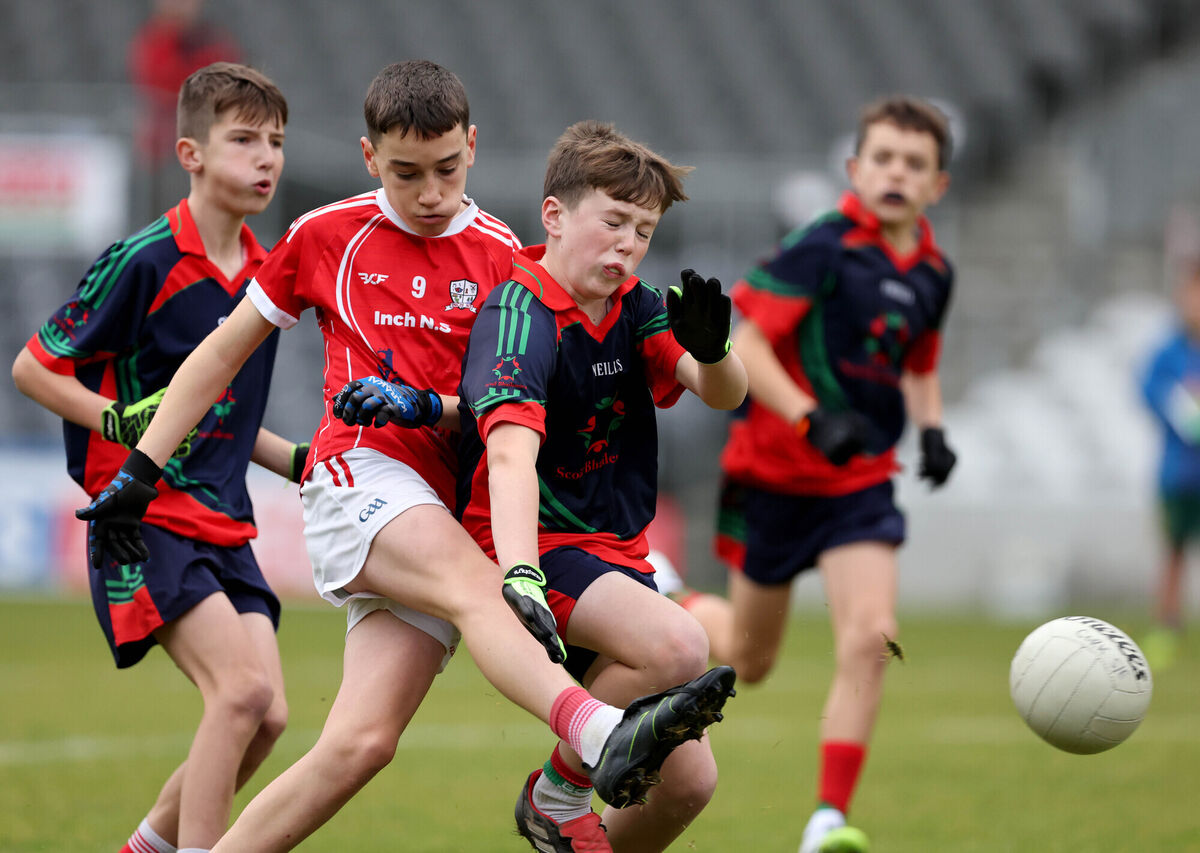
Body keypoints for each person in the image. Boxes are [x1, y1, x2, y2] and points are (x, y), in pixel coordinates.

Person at [74, 61, 736, 853]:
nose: (430, 193)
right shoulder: (325, 233)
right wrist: (138, 471)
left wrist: (432, 406)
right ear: (368, 157)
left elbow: (508, 399)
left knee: (360, 745)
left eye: (448, 169)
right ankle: (586, 752)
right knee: (478, 583)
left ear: (474, 148)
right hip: (362, 475)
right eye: (405, 173)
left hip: (445, 504)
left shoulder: (503, 255)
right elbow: (219, 355)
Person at [11, 63, 299, 853]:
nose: (265, 158)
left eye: (275, 141)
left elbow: (222, 414)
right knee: (238, 695)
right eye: (243, 140)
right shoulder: (143, 258)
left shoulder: (269, 273)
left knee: (267, 715)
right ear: (190, 153)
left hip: (224, 519)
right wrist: (113, 418)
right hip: (143, 514)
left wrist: (299, 460)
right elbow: (34, 367)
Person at [671, 96, 959, 853]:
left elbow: (919, 362)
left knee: (872, 637)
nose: (897, 173)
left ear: (939, 185)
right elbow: (749, 343)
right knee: (750, 660)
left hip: (859, 482)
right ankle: (670, 595)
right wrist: (807, 415)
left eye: (915, 163)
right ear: (854, 169)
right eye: (884, 158)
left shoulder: (933, 270)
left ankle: (827, 818)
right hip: (775, 474)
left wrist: (931, 431)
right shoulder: (821, 246)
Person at [453, 120, 747, 852]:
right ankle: (555, 792)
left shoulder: (636, 305)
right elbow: (510, 457)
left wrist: (714, 353)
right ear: (554, 215)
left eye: (644, 230)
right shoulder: (520, 315)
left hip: (615, 555)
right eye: (614, 220)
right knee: (681, 643)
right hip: (534, 546)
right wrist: (519, 571)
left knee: (687, 784)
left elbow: (723, 394)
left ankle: (567, 807)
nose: (629, 243)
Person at [1137, 249, 1200, 670]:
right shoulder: (1168, 352)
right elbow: (1150, 394)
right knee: (1174, 553)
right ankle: (1166, 627)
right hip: (1180, 473)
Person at [129, 0, 242, 218]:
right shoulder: (153, 40)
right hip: (161, 147)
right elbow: (161, 82)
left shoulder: (211, 40)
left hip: (203, 142)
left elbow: (225, 82)